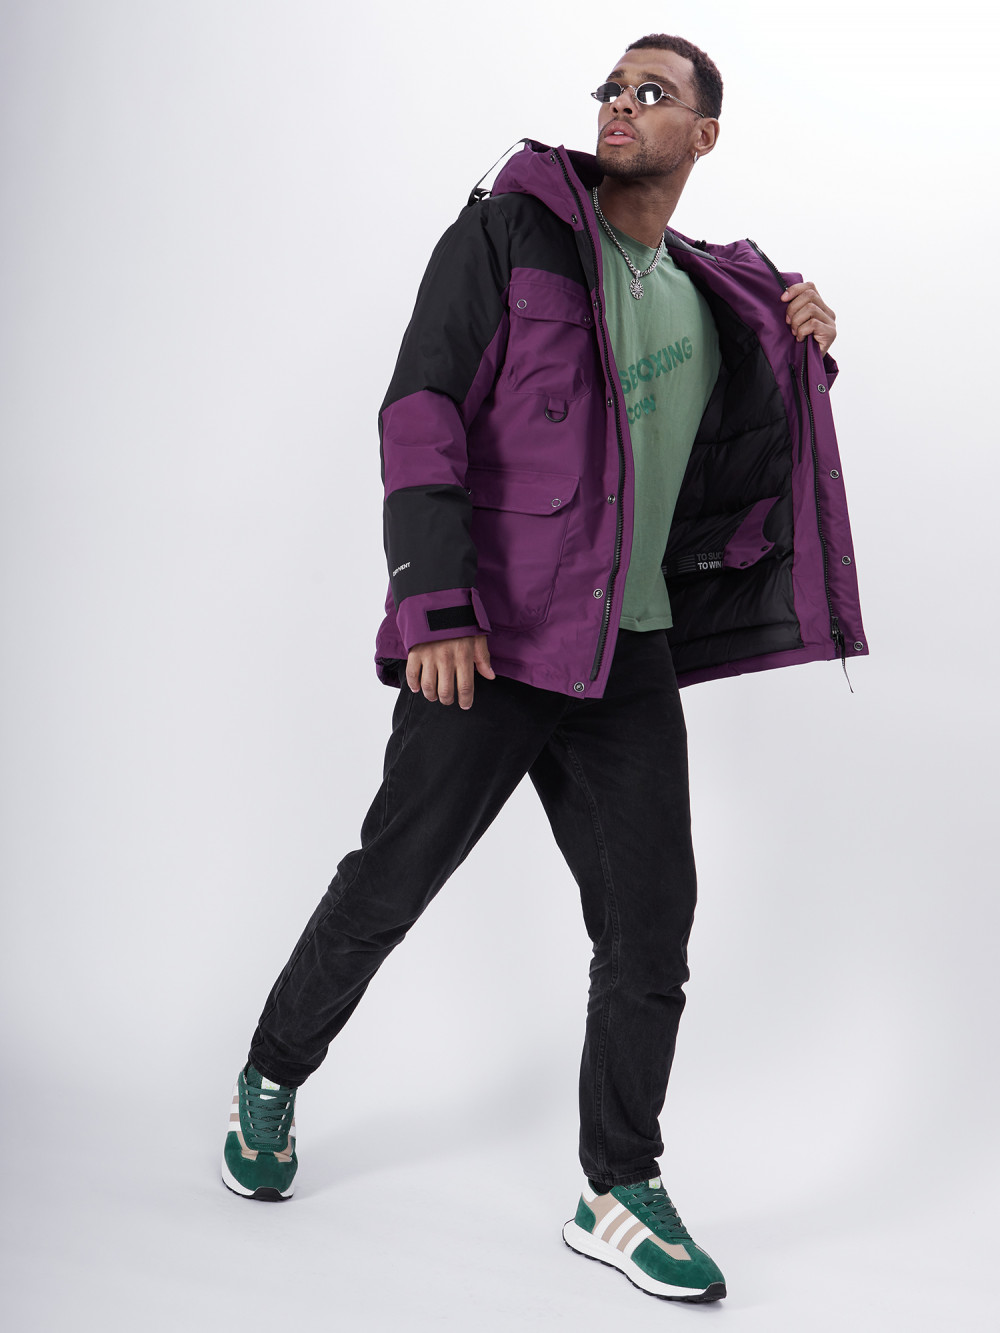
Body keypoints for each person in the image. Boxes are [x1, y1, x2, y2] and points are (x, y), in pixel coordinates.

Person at [220, 33, 866, 1304]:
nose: (620, 105)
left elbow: (744, 446)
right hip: (494, 640)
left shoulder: (710, 290)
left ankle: (615, 1185)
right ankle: (271, 1074)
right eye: (612, 88)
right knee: (393, 878)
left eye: (652, 92)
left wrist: (804, 341)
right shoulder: (508, 234)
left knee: (650, 925)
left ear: (703, 136)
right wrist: (435, 604)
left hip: (629, 651)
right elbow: (421, 411)